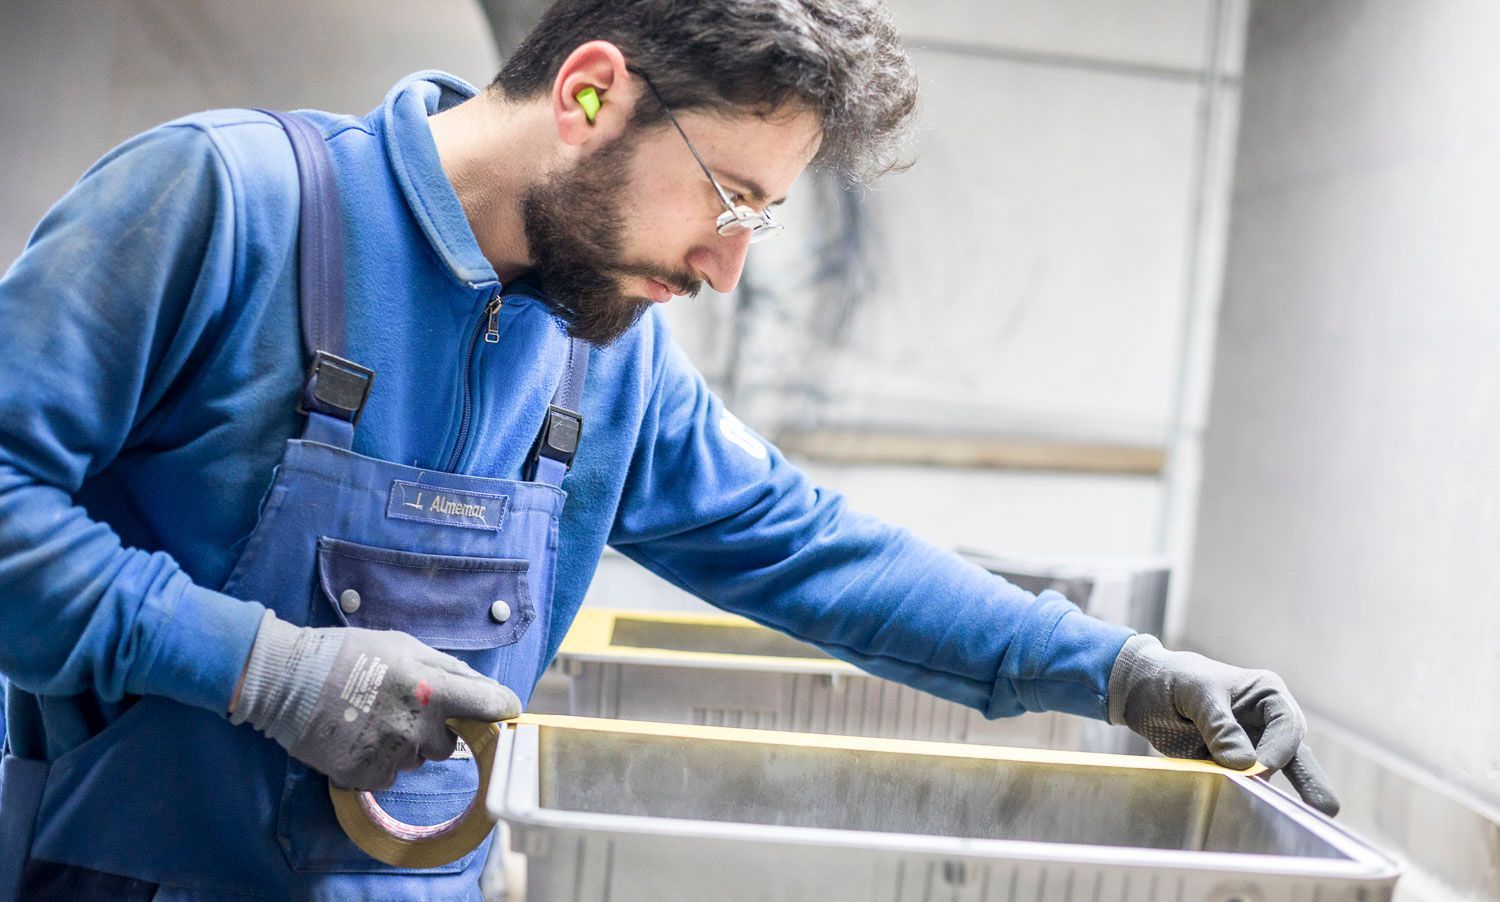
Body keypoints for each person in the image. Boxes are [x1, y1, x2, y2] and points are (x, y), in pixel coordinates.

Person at [0, 0, 1338, 897]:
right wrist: (266, 667)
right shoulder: (225, 204)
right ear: (591, 93)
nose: (727, 266)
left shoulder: (605, 354)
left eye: (761, 220)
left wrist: (1119, 671)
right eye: (731, 199)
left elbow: (810, 548)